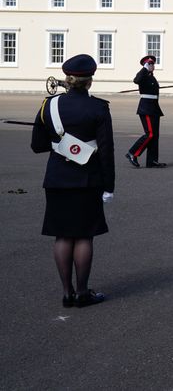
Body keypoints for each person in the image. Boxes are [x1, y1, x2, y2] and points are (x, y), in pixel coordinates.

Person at [30, 54, 114, 308]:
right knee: (84, 237)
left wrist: (60, 143)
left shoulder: (49, 105)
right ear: (90, 81)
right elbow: (107, 151)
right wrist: (109, 186)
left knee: (63, 237)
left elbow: (36, 145)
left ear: (68, 79)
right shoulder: (99, 107)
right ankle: (82, 292)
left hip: (56, 179)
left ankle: (67, 293)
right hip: (88, 180)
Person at [125, 54, 166, 168]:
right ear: (145, 65)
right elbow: (136, 80)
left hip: (154, 108)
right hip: (146, 108)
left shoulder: (151, 77)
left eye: (153, 63)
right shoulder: (142, 75)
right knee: (150, 134)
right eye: (149, 64)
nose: (152, 65)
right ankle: (133, 153)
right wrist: (144, 68)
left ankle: (152, 161)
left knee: (155, 135)